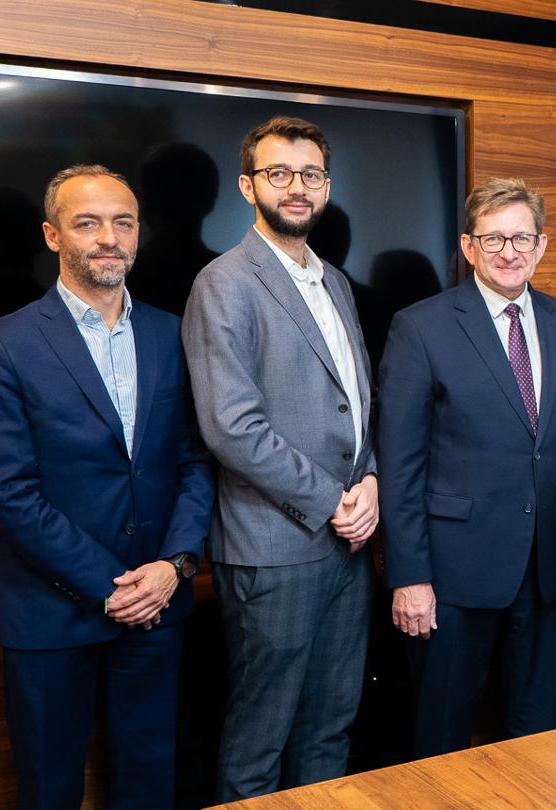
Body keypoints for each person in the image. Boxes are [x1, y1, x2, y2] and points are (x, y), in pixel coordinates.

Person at [0, 165, 214, 809]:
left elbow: (195, 462)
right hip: (50, 613)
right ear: (52, 236)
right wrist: (112, 586)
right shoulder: (3, 345)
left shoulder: (171, 333)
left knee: (150, 784)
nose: (109, 237)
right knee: (50, 790)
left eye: (123, 222)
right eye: (88, 222)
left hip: (158, 605)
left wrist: (174, 567)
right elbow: (6, 493)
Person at [183, 116, 378, 800]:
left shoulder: (335, 283)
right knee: (259, 737)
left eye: (312, 174)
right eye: (279, 173)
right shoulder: (224, 283)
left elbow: (354, 400)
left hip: (347, 546)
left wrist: (373, 478)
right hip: (273, 546)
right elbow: (232, 427)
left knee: (331, 726)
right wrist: (334, 500)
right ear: (248, 185)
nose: (297, 188)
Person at [378, 177, 556, 754]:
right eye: (493, 239)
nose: (509, 252)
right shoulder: (421, 325)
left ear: (541, 246)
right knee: (444, 731)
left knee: (539, 730)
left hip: (547, 566)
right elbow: (400, 464)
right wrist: (410, 576)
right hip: (453, 572)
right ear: (470, 247)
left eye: (521, 238)